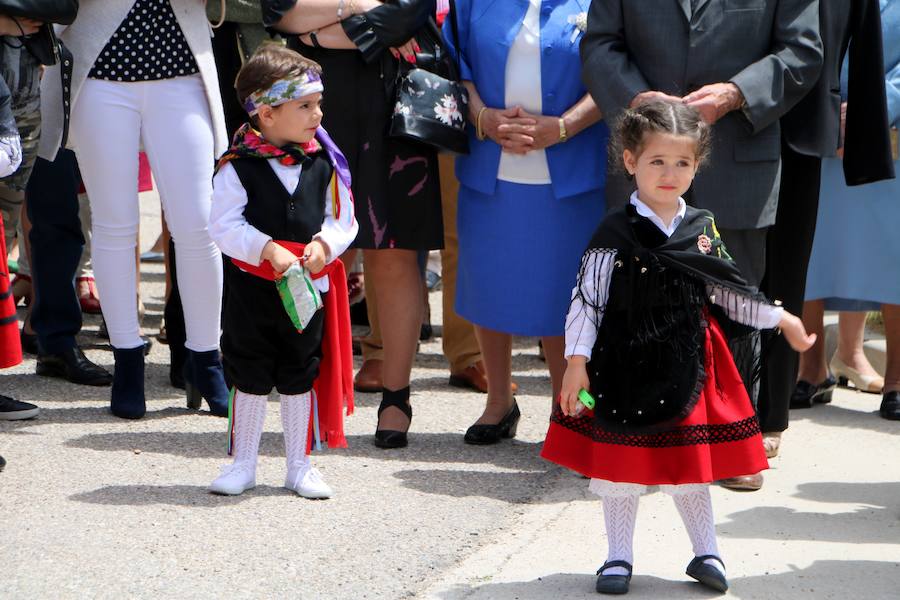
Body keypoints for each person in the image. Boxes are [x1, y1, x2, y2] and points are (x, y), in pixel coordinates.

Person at [540, 101, 815, 595]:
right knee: (620, 468)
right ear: (630, 162)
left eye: (682, 163)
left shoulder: (700, 230)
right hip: (620, 364)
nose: (669, 174)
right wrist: (575, 363)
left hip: (689, 365)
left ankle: (706, 551)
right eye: (656, 162)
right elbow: (587, 302)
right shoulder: (614, 231)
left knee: (689, 468)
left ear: (697, 165)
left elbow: (731, 293)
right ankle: (617, 557)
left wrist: (781, 318)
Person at [580, 0, 822, 491]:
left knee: (734, 309)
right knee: (633, 308)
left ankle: (733, 447)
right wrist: (639, 105)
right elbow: (599, 43)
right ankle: (637, 442)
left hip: (737, 159)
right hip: (646, 162)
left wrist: (736, 93)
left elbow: (803, 49)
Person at [264, 0, 443, 449]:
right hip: (309, 104)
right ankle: (303, 394)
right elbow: (280, 12)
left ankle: (396, 398)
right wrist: (357, 8)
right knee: (304, 249)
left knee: (394, 254)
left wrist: (318, 35)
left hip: (392, 101)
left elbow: (407, 13)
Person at [40, 0, 230, 419]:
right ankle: (128, 358)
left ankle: (206, 358)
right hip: (98, 70)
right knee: (114, 225)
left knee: (199, 225)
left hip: (182, 68)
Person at [444, 0, 608, 444]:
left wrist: (564, 127)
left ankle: (571, 410)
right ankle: (499, 403)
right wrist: (483, 117)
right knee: (489, 285)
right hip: (491, 161)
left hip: (571, 164)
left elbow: (614, 70)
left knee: (565, 296)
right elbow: (455, 62)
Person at [207, 44, 357, 497]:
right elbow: (223, 224)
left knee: (300, 370)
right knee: (248, 370)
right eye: (305, 106)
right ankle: (243, 463)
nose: (317, 114)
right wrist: (265, 248)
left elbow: (343, 218)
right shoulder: (238, 167)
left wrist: (324, 245)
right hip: (252, 290)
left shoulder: (323, 163)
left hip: (306, 290)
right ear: (267, 114)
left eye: (318, 104)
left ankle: (299, 465)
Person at [758, 0, 895, 461]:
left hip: (840, 126)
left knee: (884, 258)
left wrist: (869, 121)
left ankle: (896, 378)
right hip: (757, 119)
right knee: (787, 260)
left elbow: (869, 40)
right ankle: (801, 373)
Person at [800, 0, 900, 421]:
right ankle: (810, 368)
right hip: (815, 129)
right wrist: (826, 112)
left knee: (893, 256)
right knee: (811, 250)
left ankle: (896, 378)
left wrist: (868, 111)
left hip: (889, 137)